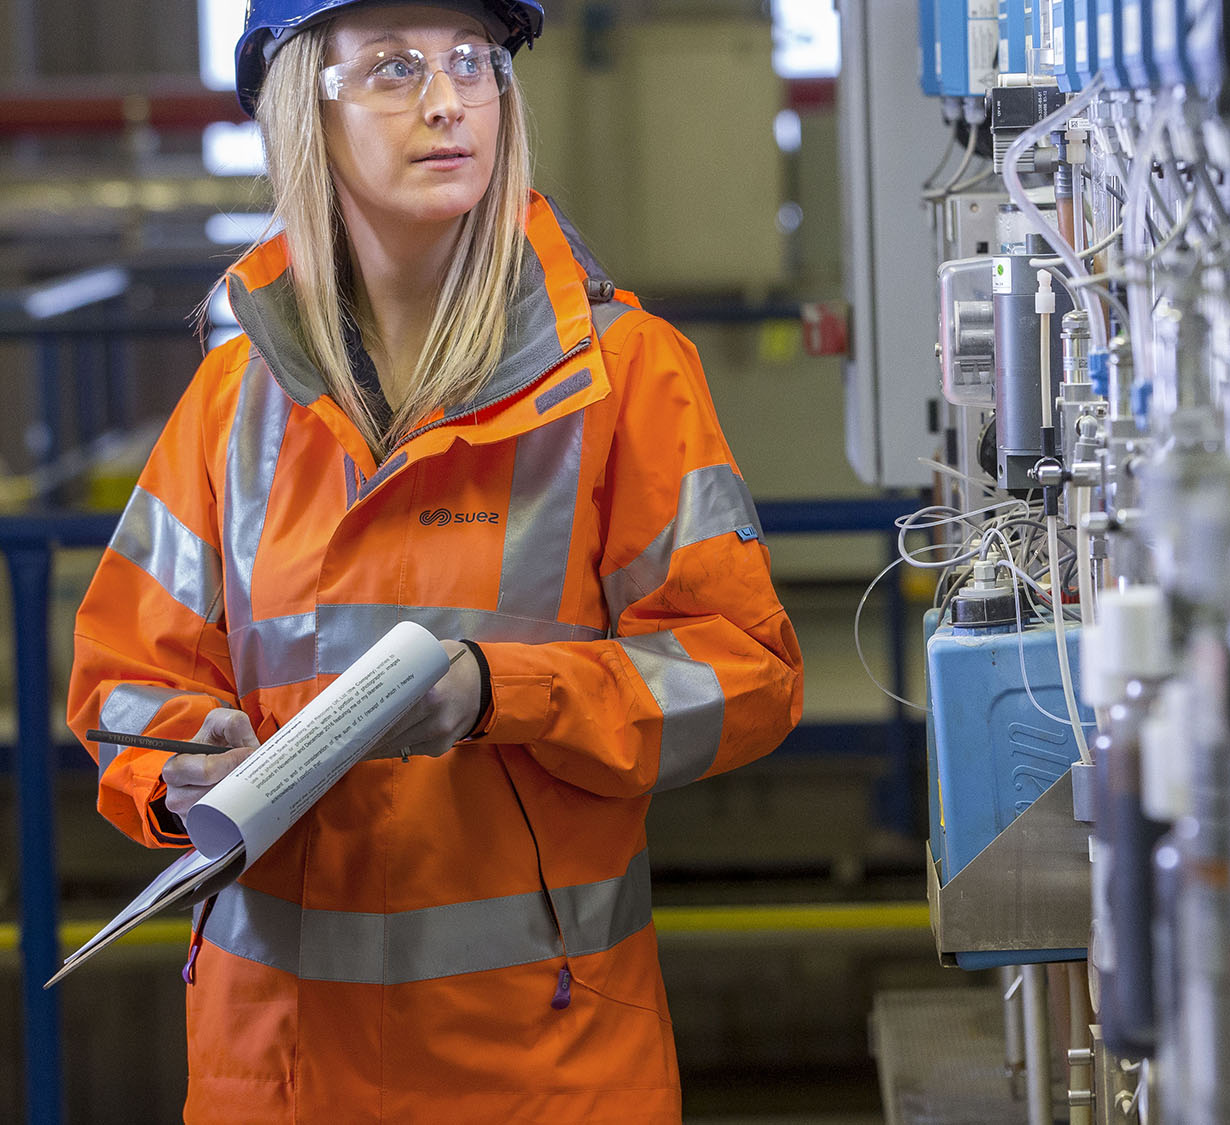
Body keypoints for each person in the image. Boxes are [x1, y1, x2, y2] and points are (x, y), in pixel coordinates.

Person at [64, 1, 804, 1119]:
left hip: (542, 1073)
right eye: (395, 68)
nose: (450, 100)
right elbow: (124, 677)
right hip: (279, 1074)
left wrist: (501, 691)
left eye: (472, 61)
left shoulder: (623, 380)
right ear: (304, 111)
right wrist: (182, 763)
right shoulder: (232, 403)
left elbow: (746, 673)